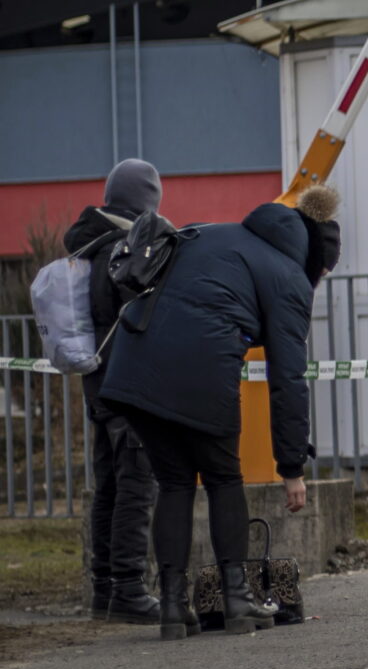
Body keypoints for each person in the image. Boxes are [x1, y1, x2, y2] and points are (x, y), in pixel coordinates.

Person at [99, 186, 336, 639]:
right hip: (198, 365)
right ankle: (236, 596)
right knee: (224, 476)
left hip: (132, 363)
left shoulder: (215, 234)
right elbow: (287, 379)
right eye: (324, 270)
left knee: (173, 481)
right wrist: (292, 467)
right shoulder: (289, 277)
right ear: (314, 257)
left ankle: (171, 605)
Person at [61, 159, 164, 625]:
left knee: (109, 486)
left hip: (98, 385)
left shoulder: (89, 244)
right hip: (130, 387)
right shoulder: (127, 248)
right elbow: (142, 317)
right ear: (146, 201)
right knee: (137, 485)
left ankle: (104, 589)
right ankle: (128, 588)